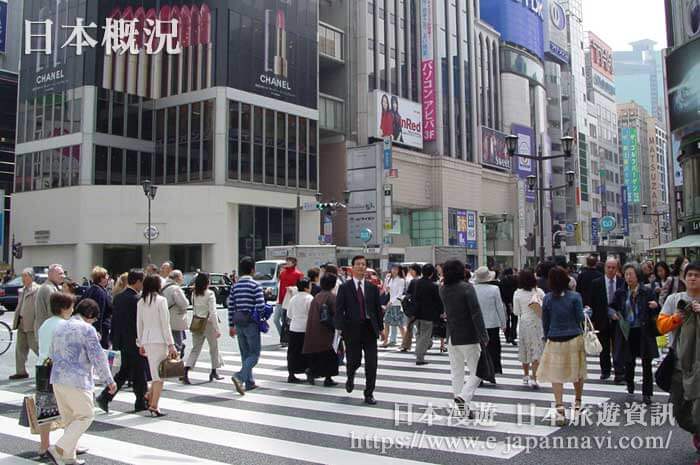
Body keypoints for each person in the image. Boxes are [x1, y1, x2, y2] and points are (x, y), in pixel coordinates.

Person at [47, 298, 117, 465]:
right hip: (77, 379)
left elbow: (51, 353)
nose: (93, 322)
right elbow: (98, 357)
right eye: (94, 319)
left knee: (70, 419)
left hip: (57, 377)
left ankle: (68, 457)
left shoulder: (59, 326)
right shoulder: (87, 329)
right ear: (90, 315)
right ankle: (58, 448)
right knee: (86, 415)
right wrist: (109, 380)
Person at [657, 261, 700, 456]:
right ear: (683, 277)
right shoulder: (675, 299)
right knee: (678, 411)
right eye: (689, 274)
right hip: (678, 363)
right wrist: (677, 317)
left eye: (697, 275)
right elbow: (661, 327)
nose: (692, 278)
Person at [536, 266, 587, 426]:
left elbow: (545, 321)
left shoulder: (548, 299)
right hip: (574, 338)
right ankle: (577, 403)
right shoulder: (575, 297)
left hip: (555, 338)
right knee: (577, 373)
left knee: (556, 376)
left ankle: (559, 409)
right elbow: (580, 317)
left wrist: (547, 336)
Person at [439, 260, 488, 418]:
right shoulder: (467, 288)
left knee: (457, 372)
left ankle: (463, 408)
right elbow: (476, 312)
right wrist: (483, 334)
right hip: (468, 335)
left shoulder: (443, 289)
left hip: (451, 335)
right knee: (479, 371)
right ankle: (464, 398)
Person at [97, 269, 148, 414]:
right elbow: (139, 323)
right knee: (137, 371)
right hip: (134, 340)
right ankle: (138, 400)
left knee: (127, 371)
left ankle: (138, 400)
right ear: (138, 282)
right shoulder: (137, 300)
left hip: (120, 340)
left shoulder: (118, 297)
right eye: (142, 282)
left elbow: (115, 321)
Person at [335, 255, 383, 405]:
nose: (361, 267)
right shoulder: (344, 287)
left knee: (372, 363)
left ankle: (369, 393)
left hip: (369, 329)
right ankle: (350, 377)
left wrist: (381, 328)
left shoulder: (372, 288)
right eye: (358, 264)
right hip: (352, 330)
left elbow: (377, 310)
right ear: (352, 267)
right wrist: (340, 329)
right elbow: (339, 310)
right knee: (354, 361)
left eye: (364, 264)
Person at [611, 262, 659, 405]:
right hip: (627, 330)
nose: (628, 277)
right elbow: (611, 307)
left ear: (637, 276)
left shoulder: (646, 291)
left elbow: (656, 308)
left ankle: (647, 393)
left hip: (644, 330)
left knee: (646, 362)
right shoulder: (621, 292)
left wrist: (656, 306)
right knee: (629, 361)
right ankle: (630, 384)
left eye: (631, 274)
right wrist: (613, 313)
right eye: (626, 274)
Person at [35, 292, 75, 458]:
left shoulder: (45, 324)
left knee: (45, 409)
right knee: (70, 408)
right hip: (60, 369)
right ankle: (69, 445)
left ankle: (44, 446)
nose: (73, 310)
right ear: (64, 308)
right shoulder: (65, 325)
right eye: (71, 306)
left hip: (43, 367)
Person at [136, 275, 177, 416]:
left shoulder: (141, 302)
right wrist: (171, 344)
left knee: (155, 372)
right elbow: (165, 324)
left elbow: (139, 324)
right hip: (159, 339)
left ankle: (149, 395)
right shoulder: (161, 300)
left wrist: (140, 342)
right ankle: (154, 405)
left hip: (147, 339)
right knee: (159, 375)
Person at [228, 256, 266, 395]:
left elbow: (231, 306)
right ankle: (240, 376)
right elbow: (261, 306)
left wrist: (231, 325)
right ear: (252, 270)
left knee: (245, 354)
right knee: (254, 354)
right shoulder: (255, 285)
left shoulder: (235, 286)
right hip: (251, 323)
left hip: (238, 323)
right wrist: (262, 317)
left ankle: (249, 382)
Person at [590, 257, 626, 382]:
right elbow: (593, 302)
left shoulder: (622, 282)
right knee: (603, 347)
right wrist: (593, 321)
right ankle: (605, 370)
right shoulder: (596, 283)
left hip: (618, 319)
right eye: (608, 267)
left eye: (613, 268)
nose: (610, 270)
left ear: (617, 269)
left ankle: (619, 372)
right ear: (605, 268)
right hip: (602, 319)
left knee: (619, 346)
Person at [183, 272, 223, 384]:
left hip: (197, 321)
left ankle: (186, 369)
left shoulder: (194, 293)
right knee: (213, 348)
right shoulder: (210, 294)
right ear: (207, 282)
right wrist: (217, 328)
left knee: (196, 348)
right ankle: (214, 371)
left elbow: (194, 308)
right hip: (208, 323)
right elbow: (213, 312)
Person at [303, 273, 340, 386]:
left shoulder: (317, 296)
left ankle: (312, 372)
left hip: (314, 329)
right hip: (326, 331)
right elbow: (336, 313)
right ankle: (328, 378)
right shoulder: (332, 297)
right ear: (333, 285)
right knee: (329, 355)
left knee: (318, 356)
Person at [512, 270, 545, 389]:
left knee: (524, 348)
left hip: (524, 323)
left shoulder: (517, 293)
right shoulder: (539, 292)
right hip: (537, 323)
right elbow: (545, 307)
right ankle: (535, 378)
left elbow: (516, 312)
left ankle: (525, 375)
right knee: (536, 349)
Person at [473, 266, 507, 378]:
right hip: (492, 323)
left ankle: (479, 372)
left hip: (477, 324)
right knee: (493, 348)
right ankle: (492, 370)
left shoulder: (472, 288)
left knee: (479, 349)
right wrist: (503, 323)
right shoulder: (494, 289)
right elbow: (499, 307)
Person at [10, 268, 40, 380]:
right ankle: (21, 371)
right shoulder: (22, 290)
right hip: (21, 321)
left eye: (25, 276)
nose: (23, 279)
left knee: (36, 347)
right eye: (22, 276)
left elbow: (38, 308)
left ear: (31, 277)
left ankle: (48, 367)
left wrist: (37, 323)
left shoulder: (37, 290)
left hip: (31, 323)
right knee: (20, 348)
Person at [413, 264, 443, 365]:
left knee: (420, 334)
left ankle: (420, 349)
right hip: (428, 314)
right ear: (431, 273)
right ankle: (419, 356)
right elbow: (438, 301)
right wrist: (441, 312)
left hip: (417, 313)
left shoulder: (417, 283)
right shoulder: (433, 286)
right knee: (425, 335)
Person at [286, 278, 313, 383]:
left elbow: (289, 314)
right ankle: (309, 372)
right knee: (307, 353)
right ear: (306, 287)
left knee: (292, 352)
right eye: (310, 286)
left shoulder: (293, 298)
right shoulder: (309, 298)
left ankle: (291, 374)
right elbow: (312, 314)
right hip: (306, 329)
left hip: (294, 328)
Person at [275, 257, 304, 346]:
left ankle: (286, 339)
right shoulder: (282, 273)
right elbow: (279, 286)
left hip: (291, 300)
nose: (287, 262)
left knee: (286, 320)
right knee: (277, 319)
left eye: (289, 261)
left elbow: (300, 287)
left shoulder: (298, 274)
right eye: (286, 261)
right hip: (281, 300)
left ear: (294, 263)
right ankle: (284, 337)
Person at [83, 266, 113, 349]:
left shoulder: (90, 290)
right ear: (101, 278)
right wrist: (98, 332)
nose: (108, 278)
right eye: (106, 276)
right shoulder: (100, 292)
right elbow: (100, 312)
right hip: (101, 329)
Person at [162, 270, 189, 359]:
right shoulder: (175, 288)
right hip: (174, 320)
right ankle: (174, 366)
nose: (182, 279)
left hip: (164, 319)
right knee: (177, 344)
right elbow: (184, 304)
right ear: (177, 278)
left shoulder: (162, 286)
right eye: (181, 277)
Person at [34, 264, 65, 334]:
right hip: (48, 331)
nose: (63, 276)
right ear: (51, 275)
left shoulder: (53, 287)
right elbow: (53, 313)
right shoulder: (49, 289)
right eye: (60, 274)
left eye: (63, 273)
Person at [400, 264, 423, 352]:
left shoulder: (414, 281)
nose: (410, 272)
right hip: (421, 308)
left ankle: (406, 345)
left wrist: (405, 298)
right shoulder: (422, 280)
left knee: (410, 327)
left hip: (413, 308)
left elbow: (408, 294)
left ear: (415, 271)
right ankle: (424, 343)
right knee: (420, 328)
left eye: (411, 270)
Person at [382, 265, 406, 348]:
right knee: (386, 322)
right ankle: (385, 341)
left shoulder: (401, 280)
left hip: (397, 304)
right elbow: (386, 290)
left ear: (399, 270)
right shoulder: (390, 279)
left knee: (400, 324)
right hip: (390, 303)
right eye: (393, 269)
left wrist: (391, 302)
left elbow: (400, 294)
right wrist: (385, 279)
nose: (394, 270)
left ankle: (404, 342)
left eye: (396, 269)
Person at [499, 268, 518, 345]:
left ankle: (507, 336)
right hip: (514, 302)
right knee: (514, 320)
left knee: (506, 320)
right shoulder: (515, 280)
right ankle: (512, 336)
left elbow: (501, 292)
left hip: (505, 302)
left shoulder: (502, 281)